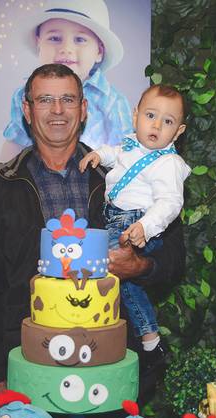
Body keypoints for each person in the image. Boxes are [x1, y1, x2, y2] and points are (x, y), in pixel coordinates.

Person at [0, 64, 185, 404]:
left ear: (83, 109)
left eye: (67, 99)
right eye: (45, 100)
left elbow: (174, 259)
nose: (57, 110)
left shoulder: (122, 180)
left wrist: (138, 266)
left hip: (108, 375)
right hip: (26, 371)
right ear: (27, 110)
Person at [78, 84, 190, 355]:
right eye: (150, 116)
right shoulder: (131, 146)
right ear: (135, 115)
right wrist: (98, 154)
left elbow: (170, 204)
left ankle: (89, 320)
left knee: (98, 268)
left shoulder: (169, 164)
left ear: (178, 131)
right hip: (113, 218)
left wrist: (145, 227)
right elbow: (115, 153)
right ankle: (146, 334)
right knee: (123, 279)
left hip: (135, 223)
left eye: (168, 121)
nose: (157, 125)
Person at [0, 0, 132, 163]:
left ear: (99, 51)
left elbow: (126, 152)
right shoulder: (24, 95)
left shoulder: (112, 101)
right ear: (39, 44)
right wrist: (3, 174)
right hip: (36, 176)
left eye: (80, 39)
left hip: (95, 176)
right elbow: (15, 143)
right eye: (54, 38)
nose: (66, 49)